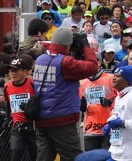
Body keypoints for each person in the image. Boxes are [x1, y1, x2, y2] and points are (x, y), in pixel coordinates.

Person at [33, 26, 99, 161]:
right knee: (73, 158)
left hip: (41, 119)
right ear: (68, 45)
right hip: (62, 120)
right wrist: (86, 47)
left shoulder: (41, 59)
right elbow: (92, 67)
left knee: (44, 158)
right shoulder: (66, 63)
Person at [2, 55, 37, 161]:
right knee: (15, 153)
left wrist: (31, 107)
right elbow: (8, 103)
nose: (12, 73)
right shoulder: (7, 87)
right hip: (17, 129)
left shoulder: (33, 84)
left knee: (36, 156)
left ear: (25, 72)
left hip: (34, 128)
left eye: (16, 70)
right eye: (10, 70)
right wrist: (7, 118)